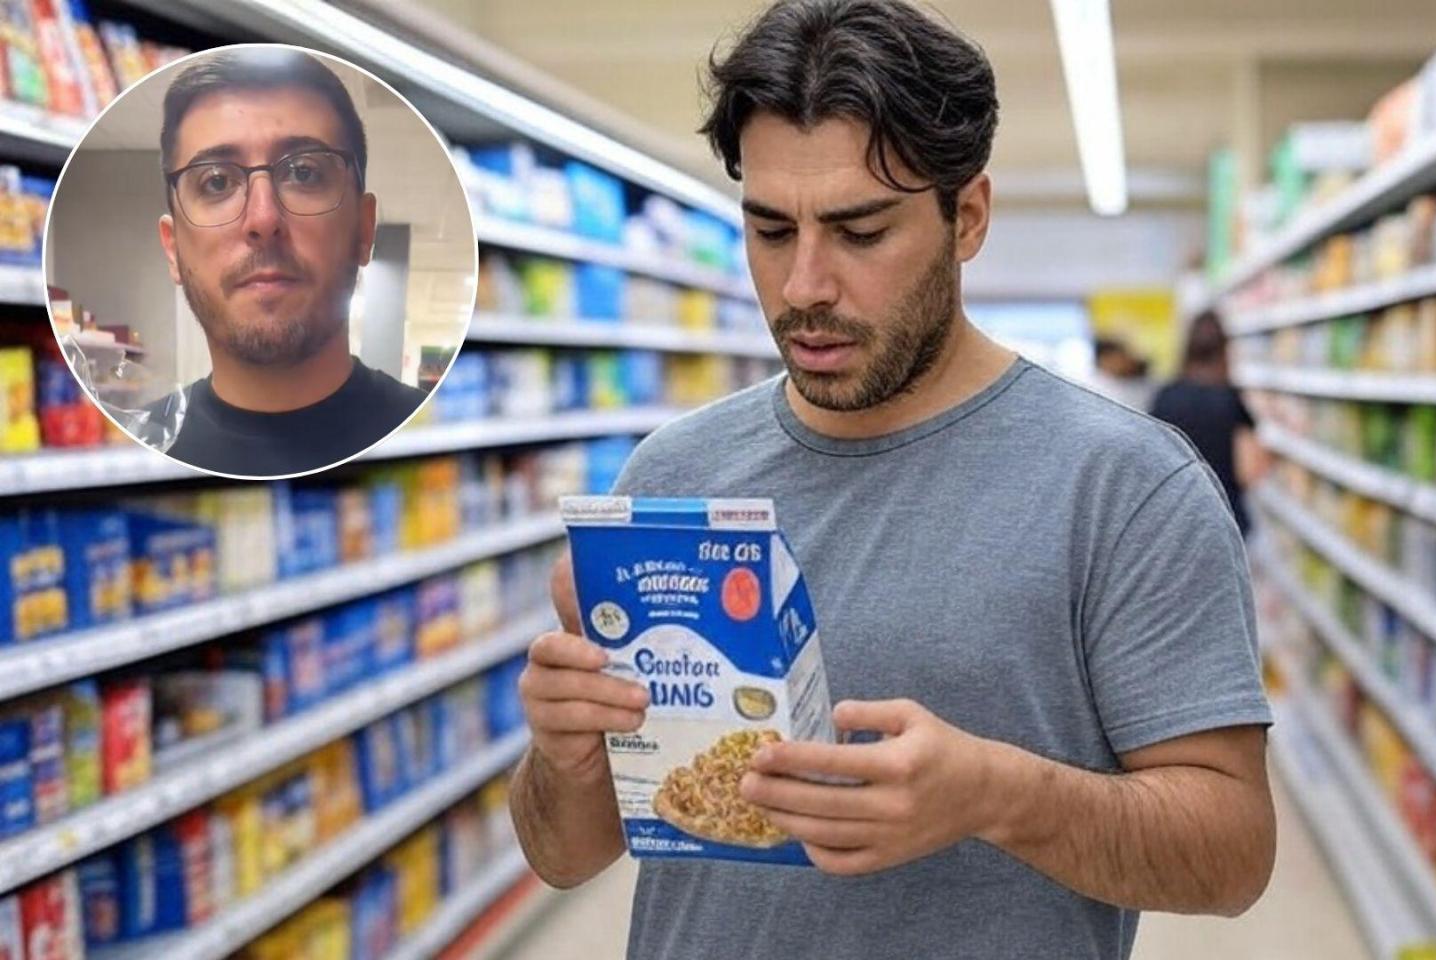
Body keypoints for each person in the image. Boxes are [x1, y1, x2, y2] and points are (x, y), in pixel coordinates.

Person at [510, 2, 1276, 957]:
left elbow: (1234, 855)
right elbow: (563, 854)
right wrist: (566, 752)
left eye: (860, 232)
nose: (804, 288)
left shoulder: (1124, 488)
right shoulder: (672, 474)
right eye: (770, 231)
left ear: (970, 218)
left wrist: (1000, 796)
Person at [148, 48, 426, 476]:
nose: (263, 219)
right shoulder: (143, 443)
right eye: (217, 181)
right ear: (173, 249)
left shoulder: (425, 431)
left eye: (304, 173)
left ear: (364, 230)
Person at [1149, 312, 1267, 535]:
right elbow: (1250, 470)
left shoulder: (1165, 396)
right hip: (1226, 519)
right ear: (1224, 350)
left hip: (1175, 520)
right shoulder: (1229, 399)